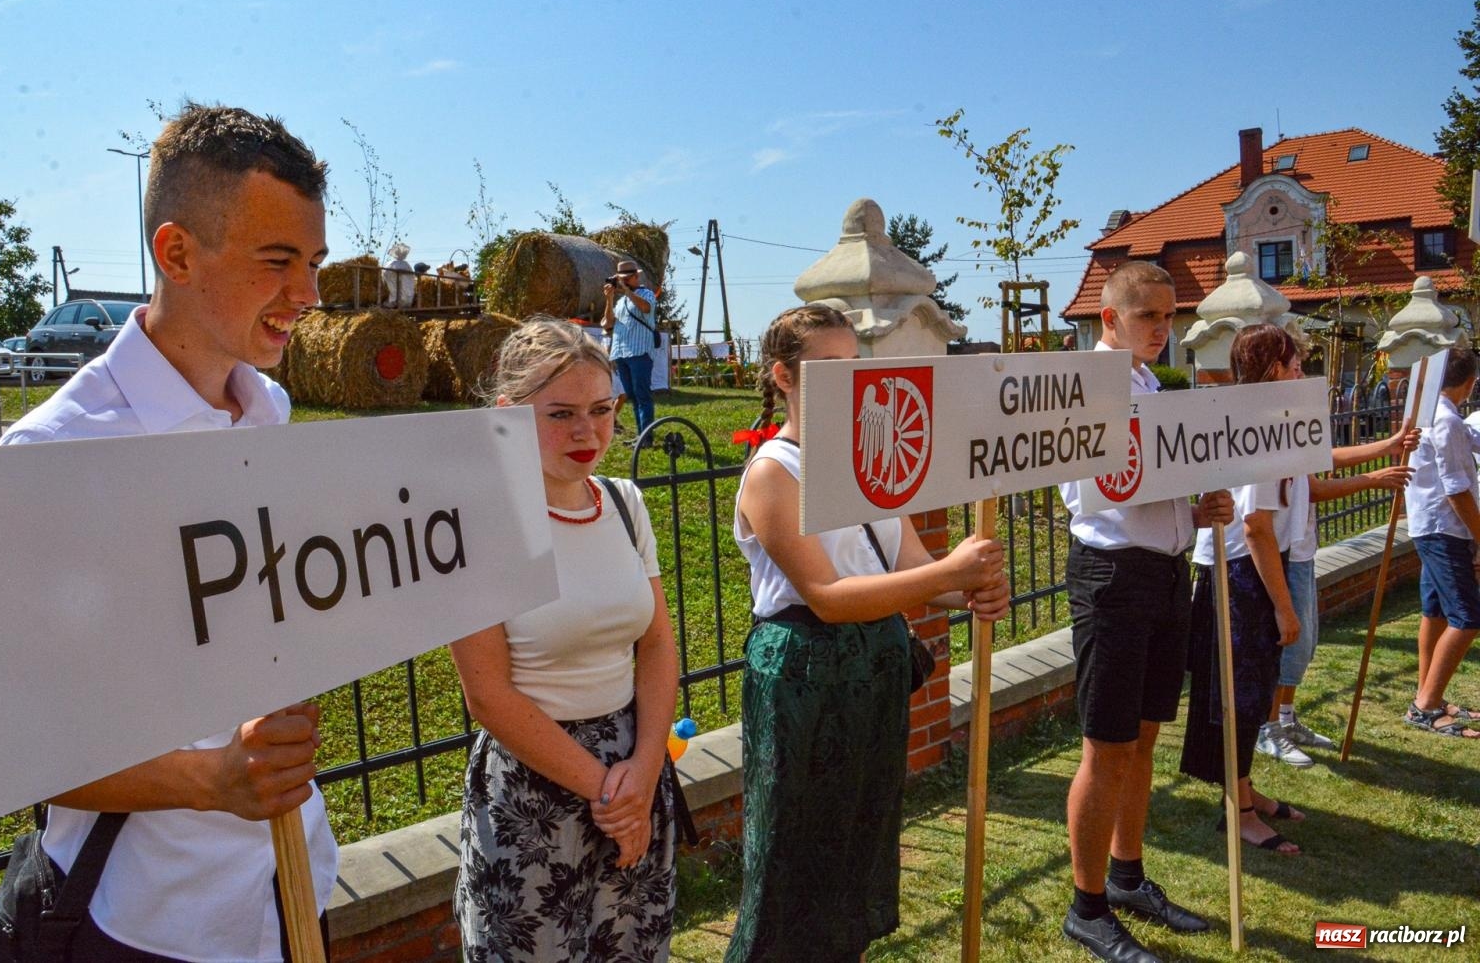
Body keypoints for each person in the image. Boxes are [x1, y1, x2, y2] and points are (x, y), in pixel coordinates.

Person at [0, 103, 336, 960]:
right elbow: (11, 746)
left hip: (292, 891)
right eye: (278, 261)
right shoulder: (53, 452)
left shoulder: (269, 411)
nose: (310, 296)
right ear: (176, 253)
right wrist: (212, 782)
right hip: (143, 919)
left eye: (315, 263)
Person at [724, 303, 1011, 962]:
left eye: (854, 366)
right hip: (804, 682)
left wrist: (967, 585)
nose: (847, 381)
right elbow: (826, 596)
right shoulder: (774, 472)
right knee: (796, 856)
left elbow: (913, 571)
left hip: (871, 677)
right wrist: (950, 574)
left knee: (857, 845)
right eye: (828, 369)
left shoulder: (864, 461)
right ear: (784, 377)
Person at [449, 316, 681, 960]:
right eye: (560, 414)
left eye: (602, 409)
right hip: (536, 788)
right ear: (508, 414)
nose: (588, 432)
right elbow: (489, 697)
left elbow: (658, 645)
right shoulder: (477, 525)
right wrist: (612, 793)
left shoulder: (625, 503)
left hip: (635, 765)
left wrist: (645, 767)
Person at [1058, 262, 1234, 963]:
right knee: (1106, 746)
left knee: (1145, 736)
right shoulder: (1087, 388)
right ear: (1109, 319)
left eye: (1170, 317)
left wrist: (1199, 507)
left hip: (1167, 572)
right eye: (1148, 317)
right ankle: (1087, 906)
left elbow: (1152, 489)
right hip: (1114, 578)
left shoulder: (1148, 383)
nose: (1164, 329)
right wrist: (1182, 482)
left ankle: (1126, 875)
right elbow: (1102, 490)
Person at [1181, 323, 1309, 856]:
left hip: (1245, 569)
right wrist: (1284, 608)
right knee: (1238, 698)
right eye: (1294, 362)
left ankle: (1245, 791)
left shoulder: (1275, 420)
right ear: (1273, 369)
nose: (1301, 370)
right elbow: (1255, 526)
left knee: (1246, 696)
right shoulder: (1260, 424)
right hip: (1242, 573)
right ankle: (1240, 813)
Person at [1254, 423, 1417, 768]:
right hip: (1287, 551)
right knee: (1290, 646)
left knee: (1306, 645)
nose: (1300, 371)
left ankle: (1285, 717)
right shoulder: (1268, 431)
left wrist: (1386, 446)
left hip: (1303, 549)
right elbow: (1311, 489)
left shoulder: (1292, 424)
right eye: (1295, 366)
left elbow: (1322, 461)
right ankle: (1266, 728)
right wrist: (1372, 479)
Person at [1402, 345, 1480, 738]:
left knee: (1434, 612)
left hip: (1429, 525)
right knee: (1468, 617)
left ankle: (1427, 692)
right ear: (1470, 383)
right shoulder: (1444, 421)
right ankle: (1426, 706)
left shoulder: (1435, 415)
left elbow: (1472, 439)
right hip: (1443, 528)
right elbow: (1457, 490)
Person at [601, 259, 658, 438]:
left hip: (640, 351)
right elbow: (607, 323)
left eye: (626, 279)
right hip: (622, 353)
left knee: (643, 396)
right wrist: (609, 300)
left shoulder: (646, 294)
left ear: (635, 277)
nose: (622, 282)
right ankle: (641, 437)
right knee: (633, 397)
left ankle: (646, 438)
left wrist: (626, 290)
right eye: (621, 279)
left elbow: (646, 308)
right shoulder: (620, 302)